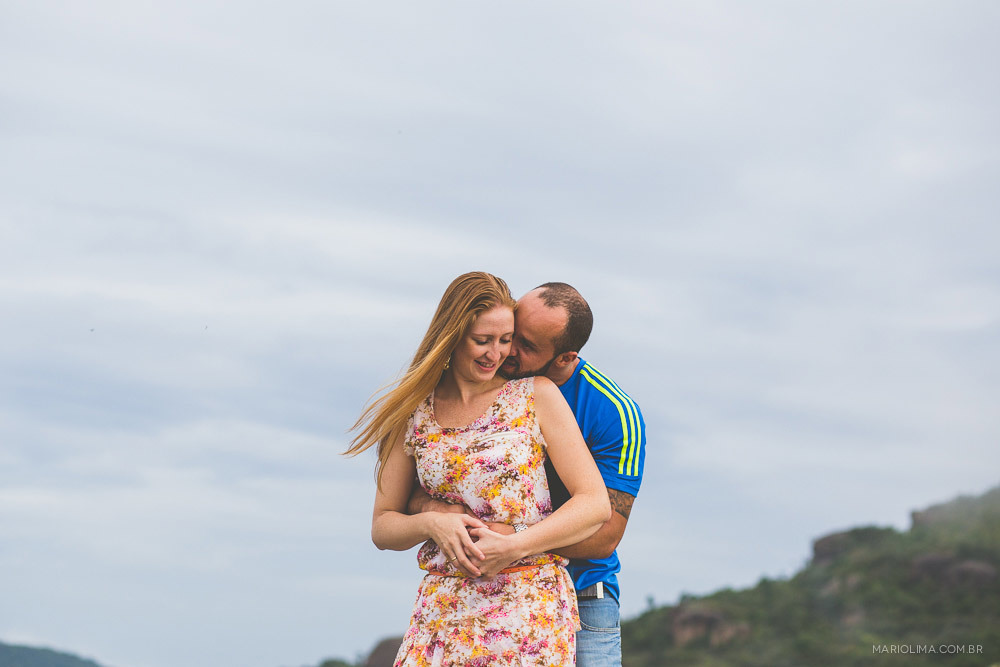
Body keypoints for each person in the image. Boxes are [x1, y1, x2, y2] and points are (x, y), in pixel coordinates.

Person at [346, 271, 611, 667]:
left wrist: (515, 544)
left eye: (506, 340)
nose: (497, 353)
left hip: (526, 613)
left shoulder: (536, 395)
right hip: (441, 613)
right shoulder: (414, 411)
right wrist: (433, 524)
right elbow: (383, 527)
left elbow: (595, 505)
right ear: (452, 335)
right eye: (482, 340)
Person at [412, 282, 646, 667]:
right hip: (487, 588)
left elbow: (605, 536)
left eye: (526, 345)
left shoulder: (613, 412)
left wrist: (511, 540)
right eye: (510, 334)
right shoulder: (481, 385)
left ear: (565, 357)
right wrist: (431, 508)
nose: (507, 351)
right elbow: (427, 480)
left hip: (584, 590)